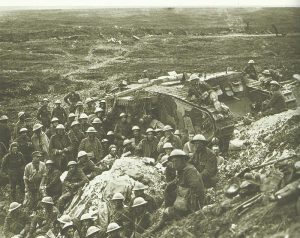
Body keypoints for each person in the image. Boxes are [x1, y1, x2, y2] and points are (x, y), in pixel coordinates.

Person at [149, 149, 205, 234]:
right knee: (168, 190)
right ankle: (167, 216)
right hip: (185, 199)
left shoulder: (190, 171)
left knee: (167, 212)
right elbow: (177, 181)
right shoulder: (181, 170)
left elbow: (196, 189)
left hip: (193, 204)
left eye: (176, 161)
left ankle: (167, 219)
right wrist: (169, 184)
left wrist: (190, 206)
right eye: (173, 162)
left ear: (183, 160)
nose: (174, 164)